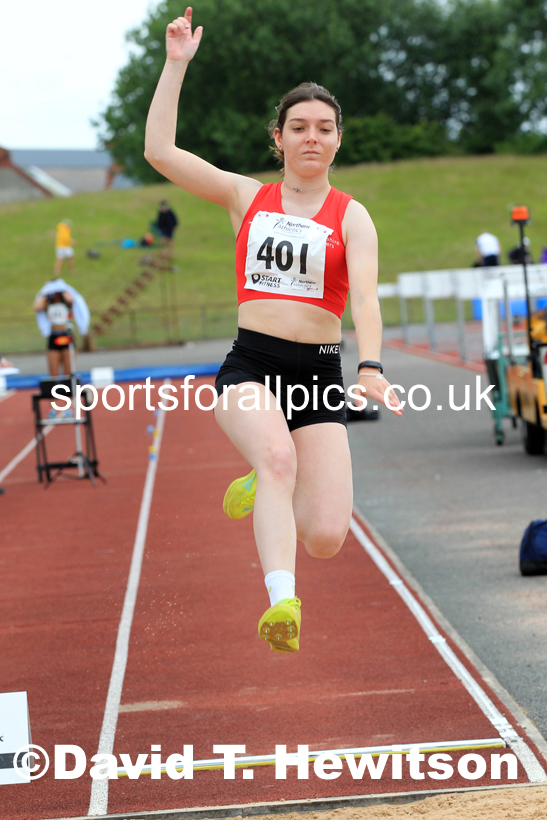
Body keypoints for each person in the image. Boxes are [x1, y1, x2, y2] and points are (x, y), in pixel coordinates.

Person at [144, 8, 403, 653]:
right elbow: (159, 152)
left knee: (325, 535)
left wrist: (369, 366)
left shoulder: (353, 216)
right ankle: (281, 603)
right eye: (298, 128)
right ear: (278, 138)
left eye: (323, 128)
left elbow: (365, 300)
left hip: (319, 371)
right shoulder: (244, 197)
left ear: (338, 139)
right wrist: (176, 65)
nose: (310, 138)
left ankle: (263, 477)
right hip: (251, 364)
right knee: (280, 456)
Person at [33, 290, 75, 417]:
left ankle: (69, 407)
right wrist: (46, 293)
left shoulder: (66, 301)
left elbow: (72, 299)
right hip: (53, 337)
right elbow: (37, 307)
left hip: (66, 336)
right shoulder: (48, 302)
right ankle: (53, 407)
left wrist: (62, 290)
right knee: (53, 374)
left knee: (68, 374)